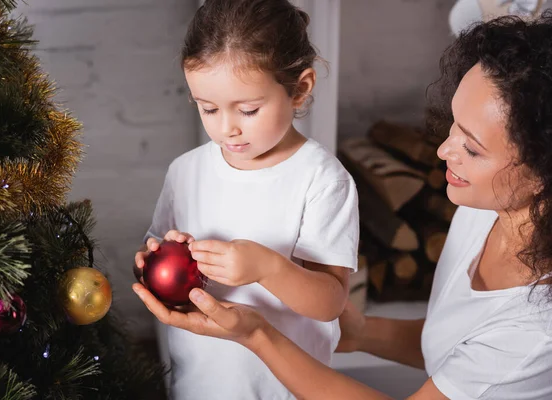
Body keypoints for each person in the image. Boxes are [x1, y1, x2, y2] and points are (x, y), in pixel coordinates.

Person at [134, 12, 552, 400]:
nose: (442, 150)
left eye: (473, 149)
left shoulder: (536, 331)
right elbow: (455, 344)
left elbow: (329, 297)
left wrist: (260, 318)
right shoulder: (481, 208)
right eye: (453, 126)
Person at [133, 0, 359, 399]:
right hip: (199, 383)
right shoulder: (185, 172)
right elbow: (161, 247)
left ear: (299, 89)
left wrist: (268, 267)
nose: (227, 129)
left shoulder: (321, 180)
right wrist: (154, 259)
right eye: (208, 108)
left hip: (284, 389)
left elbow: (330, 303)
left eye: (249, 110)